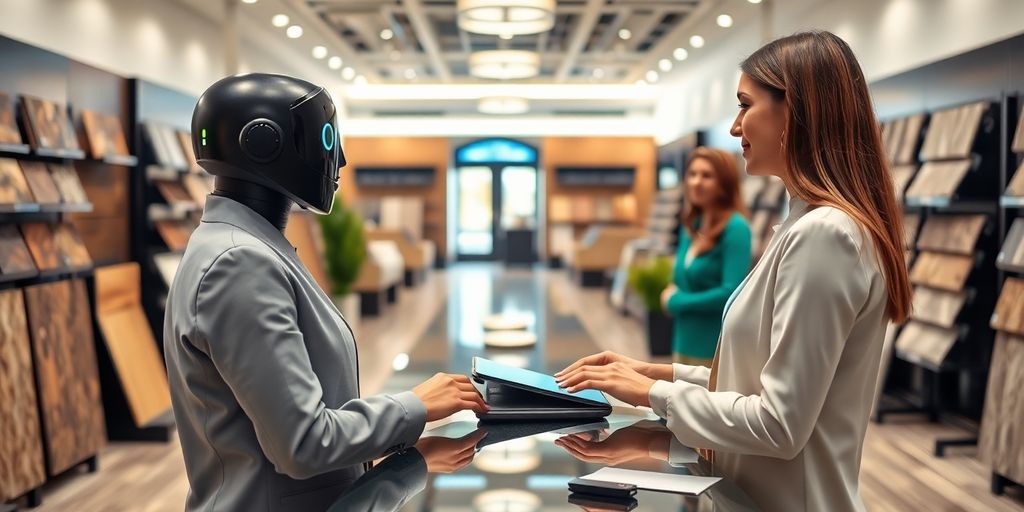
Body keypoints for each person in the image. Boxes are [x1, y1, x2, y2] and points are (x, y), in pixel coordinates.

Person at [556, 31, 911, 512]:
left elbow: (778, 425)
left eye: (745, 105)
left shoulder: (825, 235)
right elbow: (756, 386)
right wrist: (657, 376)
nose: (734, 127)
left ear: (795, 112)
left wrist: (653, 392)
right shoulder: (803, 224)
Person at [163, 73, 487, 512]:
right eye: (328, 137)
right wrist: (415, 406)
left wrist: (411, 461)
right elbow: (303, 443)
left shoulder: (245, 248)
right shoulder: (239, 264)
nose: (342, 159)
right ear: (265, 142)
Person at [660, 147, 751, 366]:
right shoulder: (691, 226)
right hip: (682, 340)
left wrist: (676, 302)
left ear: (724, 183)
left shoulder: (736, 228)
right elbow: (681, 280)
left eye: (706, 175)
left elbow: (731, 292)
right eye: (692, 174)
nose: (696, 182)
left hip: (713, 345)